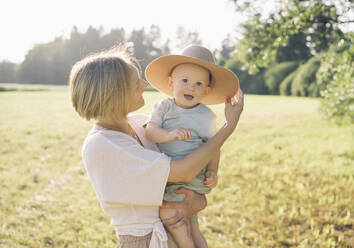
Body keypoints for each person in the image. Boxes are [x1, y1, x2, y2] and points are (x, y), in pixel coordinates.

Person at [69, 44, 244, 248]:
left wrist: (198, 201)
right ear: (114, 94)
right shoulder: (102, 144)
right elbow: (184, 172)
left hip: (172, 228)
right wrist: (229, 125)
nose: (144, 84)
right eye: (136, 84)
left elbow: (188, 174)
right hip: (145, 241)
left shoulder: (139, 124)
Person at [144, 45, 239, 248]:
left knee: (170, 214)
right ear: (171, 83)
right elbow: (150, 131)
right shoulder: (164, 107)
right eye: (184, 81)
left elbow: (213, 146)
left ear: (206, 91)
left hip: (194, 177)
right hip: (172, 175)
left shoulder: (205, 115)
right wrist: (169, 135)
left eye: (198, 84)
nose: (191, 87)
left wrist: (213, 171)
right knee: (193, 226)